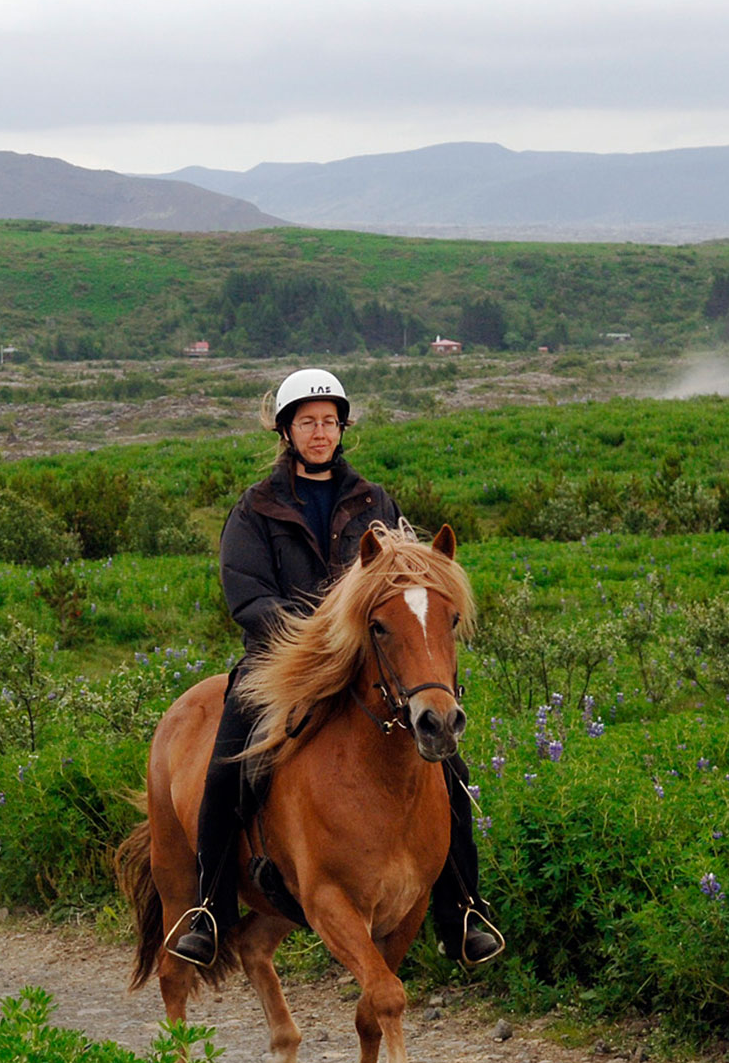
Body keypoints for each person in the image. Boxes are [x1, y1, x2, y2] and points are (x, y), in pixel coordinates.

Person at [167, 368, 503, 969]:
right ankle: (211, 910)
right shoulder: (255, 509)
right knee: (225, 768)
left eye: (328, 421)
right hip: (280, 662)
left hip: (367, 662)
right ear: (286, 430)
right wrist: (315, 636)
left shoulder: (374, 501)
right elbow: (246, 595)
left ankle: (463, 910)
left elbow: (404, 578)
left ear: (341, 427)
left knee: (449, 766)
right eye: (307, 422)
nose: (319, 432)